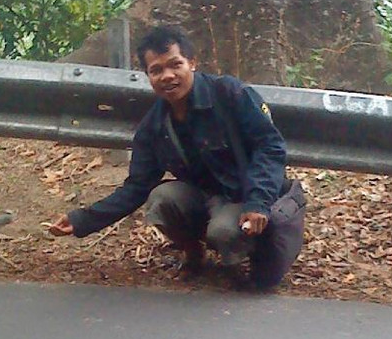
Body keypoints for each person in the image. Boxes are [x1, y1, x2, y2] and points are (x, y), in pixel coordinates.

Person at [48, 24, 306, 291]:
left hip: (242, 195)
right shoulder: (155, 126)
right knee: (161, 199)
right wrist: (82, 220)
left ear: (192, 63)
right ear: (147, 76)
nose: (167, 76)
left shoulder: (230, 94)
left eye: (175, 65)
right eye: (156, 70)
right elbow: (136, 187)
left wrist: (258, 202)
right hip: (204, 197)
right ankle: (195, 253)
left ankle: (241, 259)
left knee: (223, 231)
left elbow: (270, 146)